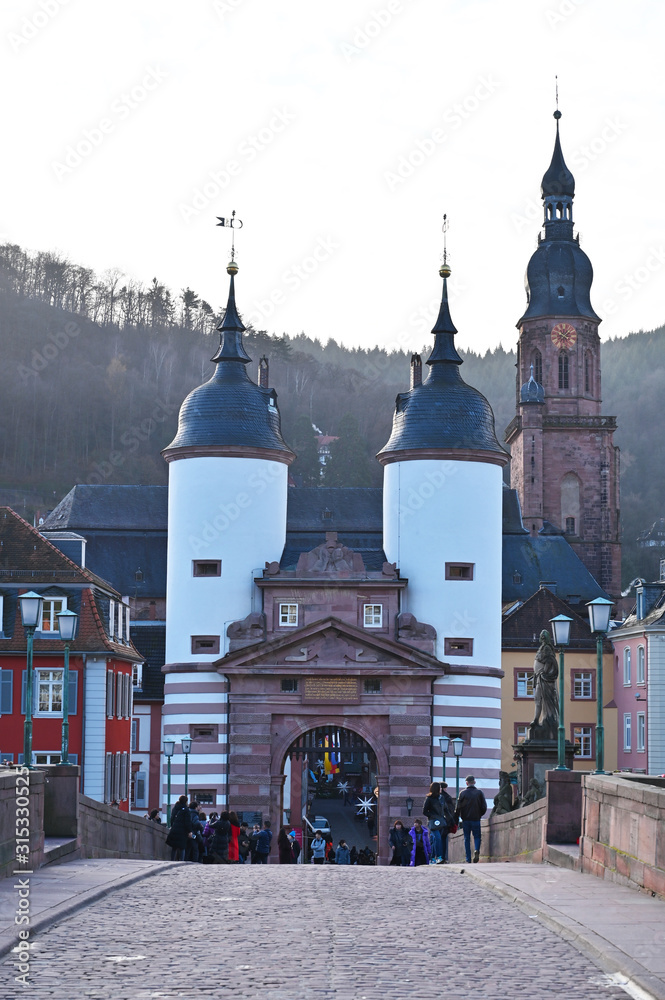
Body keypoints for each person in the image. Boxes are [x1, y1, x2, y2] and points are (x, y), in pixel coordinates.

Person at [455, 774, 487, 863]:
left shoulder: (462, 793)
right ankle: (476, 849)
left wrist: (458, 816)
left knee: (467, 838)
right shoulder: (479, 793)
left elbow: (458, 807)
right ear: (474, 782)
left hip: (466, 820)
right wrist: (479, 814)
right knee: (477, 837)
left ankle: (468, 859)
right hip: (476, 819)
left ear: (466, 783)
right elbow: (484, 806)